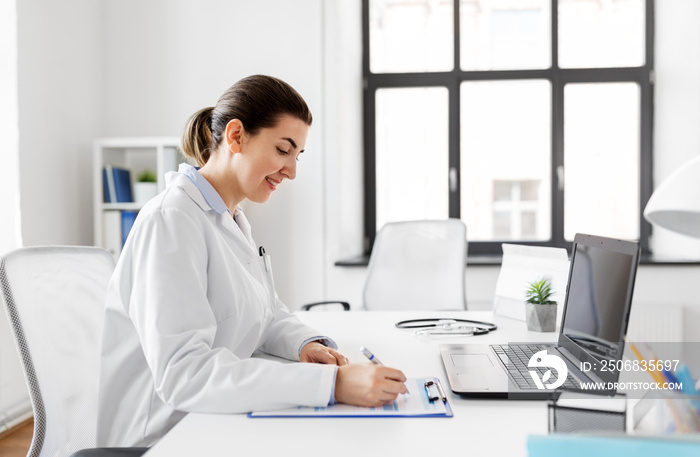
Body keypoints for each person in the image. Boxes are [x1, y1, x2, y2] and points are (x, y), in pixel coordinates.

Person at [96, 75, 407, 448]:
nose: (292, 170)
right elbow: (184, 374)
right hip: (161, 439)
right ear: (236, 136)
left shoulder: (231, 218)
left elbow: (263, 313)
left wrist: (304, 344)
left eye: (297, 155)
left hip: (213, 419)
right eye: (283, 149)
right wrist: (332, 385)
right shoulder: (171, 220)